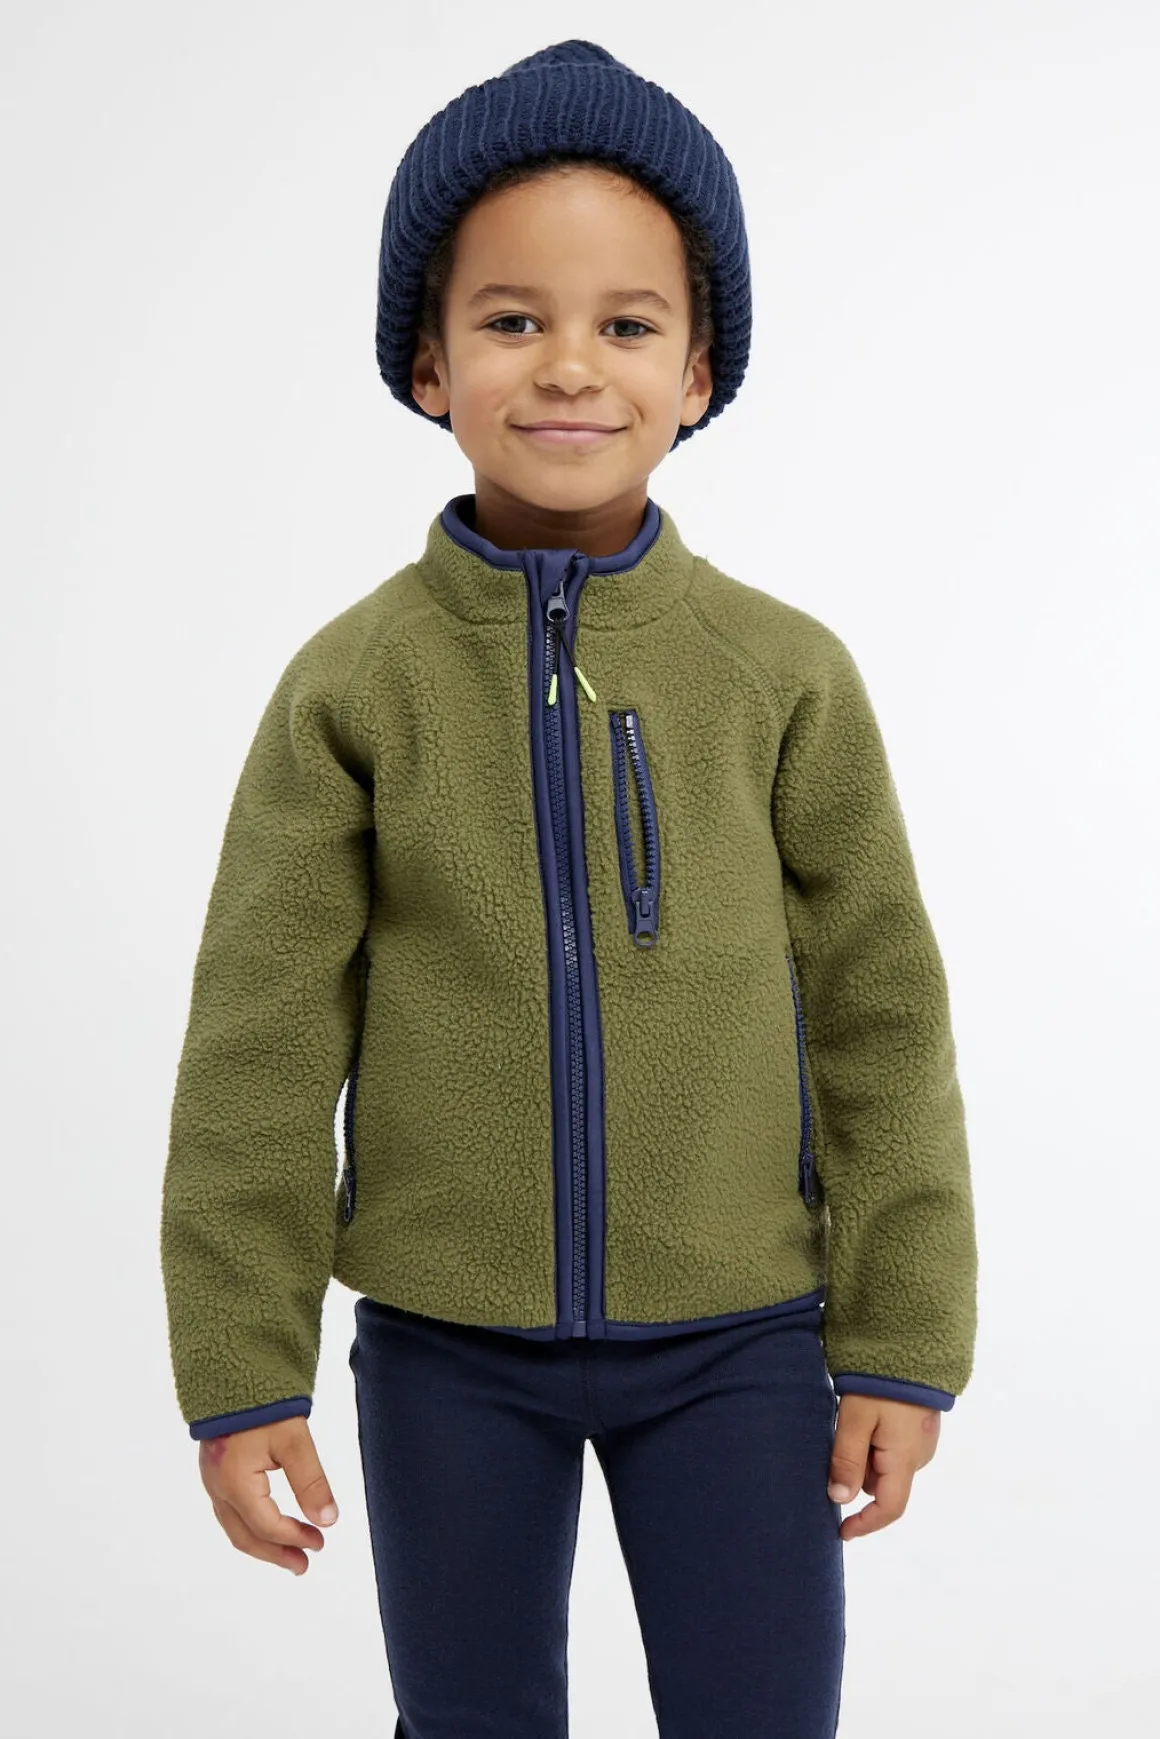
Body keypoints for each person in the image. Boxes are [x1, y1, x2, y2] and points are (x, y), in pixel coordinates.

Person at [161, 38, 978, 1739]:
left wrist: (902, 1337)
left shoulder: (783, 677)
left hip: (742, 1340)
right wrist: (242, 1370)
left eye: (628, 324)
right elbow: (258, 1042)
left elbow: (884, 1020)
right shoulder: (352, 687)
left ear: (699, 369)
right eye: (513, 318)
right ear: (427, 361)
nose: (569, 368)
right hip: (447, 1349)